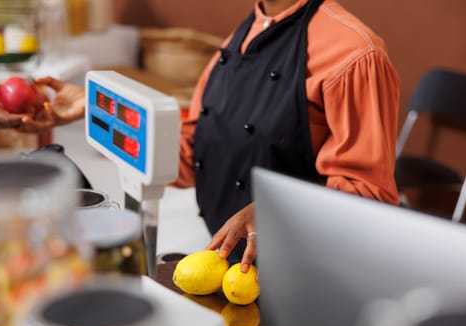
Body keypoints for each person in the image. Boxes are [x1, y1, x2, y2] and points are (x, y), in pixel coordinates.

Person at [20, 0, 401, 274]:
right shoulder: (241, 37)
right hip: (228, 267)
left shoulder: (354, 54)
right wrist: (96, 107)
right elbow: (187, 158)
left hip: (307, 273)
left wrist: (275, 212)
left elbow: (369, 200)